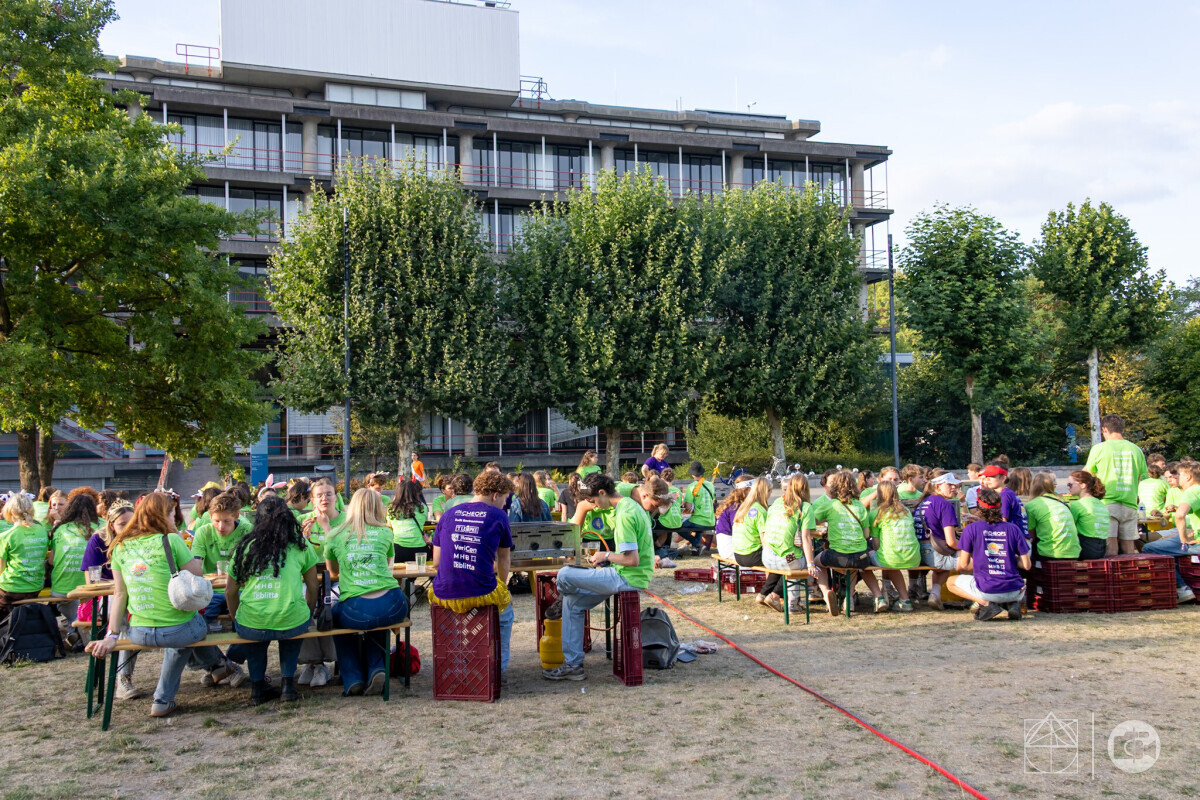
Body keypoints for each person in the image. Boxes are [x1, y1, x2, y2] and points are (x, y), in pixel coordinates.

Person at [84, 493, 240, 718]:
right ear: (162, 515)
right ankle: (209, 670)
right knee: (191, 628)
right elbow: (197, 573)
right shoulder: (171, 539)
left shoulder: (120, 546)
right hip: (175, 629)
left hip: (139, 631)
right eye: (171, 514)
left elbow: (119, 594)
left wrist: (112, 635)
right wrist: (176, 536)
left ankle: (216, 669)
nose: (175, 518)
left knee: (181, 635)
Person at [543, 472, 657, 682]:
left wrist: (605, 556)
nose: (594, 505)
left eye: (593, 500)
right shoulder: (630, 506)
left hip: (627, 577)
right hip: (627, 574)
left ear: (602, 493)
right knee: (572, 604)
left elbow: (632, 559)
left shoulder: (624, 514)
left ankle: (565, 594)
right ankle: (573, 665)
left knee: (565, 574)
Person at [226, 496, 319, 704]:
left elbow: (230, 591)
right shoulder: (300, 546)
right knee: (292, 631)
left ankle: (257, 688)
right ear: (288, 518)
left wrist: (236, 619)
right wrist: (308, 612)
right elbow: (313, 587)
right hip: (292, 620)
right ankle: (288, 686)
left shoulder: (246, 547)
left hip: (251, 622)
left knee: (255, 641)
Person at [429, 471, 515, 678]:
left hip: (443, 593)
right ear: (495, 495)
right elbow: (504, 559)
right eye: (505, 499)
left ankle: (457, 666)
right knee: (505, 613)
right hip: (481, 592)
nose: (505, 504)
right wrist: (503, 587)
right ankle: (497, 670)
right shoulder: (499, 516)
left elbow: (437, 562)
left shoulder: (448, 514)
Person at [324, 488, 409, 696]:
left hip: (356, 608)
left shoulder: (334, 534)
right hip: (393, 603)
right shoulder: (386, 532)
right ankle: (377, 667)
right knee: (378, 619)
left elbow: (333, 572)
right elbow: (387, 564)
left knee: (337, 619)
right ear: (377, 508)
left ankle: (353, 678)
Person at [80, 500, 146, 700]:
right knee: (126, 616)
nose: (128, 528)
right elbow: (91, 581)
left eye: (132, 523)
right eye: (122, 524)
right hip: (104, 599)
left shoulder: (142, 539)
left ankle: (213, 665)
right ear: (111, 525)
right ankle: (123, 680)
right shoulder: (98, 540)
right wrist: (119, 583)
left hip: (135, 594)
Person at [804, 471, 885, 615]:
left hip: (838, 556)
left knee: (816, 562)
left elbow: (812, 521)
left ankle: (826, 593)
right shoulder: (860, 506)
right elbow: (866, 535)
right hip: (860, 556)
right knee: (854, 567)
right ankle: (852, 599)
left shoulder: (831, 505)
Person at [946, 488, 1031, 621]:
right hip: (1015, 590)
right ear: (1000, 506)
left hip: (987, 590)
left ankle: (986, 604)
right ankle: (1010, 603)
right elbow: (1026, 565)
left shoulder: (971, 529)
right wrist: (1006, 559)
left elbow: (963, 565)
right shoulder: (1013, 528)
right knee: (1003, 588)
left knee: (950, 582)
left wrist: (983, 560)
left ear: (979, 508)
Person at [296, 477, 345, 688]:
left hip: (338, 578)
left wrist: (326, 528)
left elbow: (344, 555)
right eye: (319, 495)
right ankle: (315, 663)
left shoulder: (347, 520)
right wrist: (301, 539)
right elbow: (296, 557)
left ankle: (332, 659)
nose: (324, 498)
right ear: (312, 500)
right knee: (301, 605)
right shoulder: (303, 520)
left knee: (329, 607)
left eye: (328, 494)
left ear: (336, 497)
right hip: (310, 579)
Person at [1084, 413, 1148, 555]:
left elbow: (1087, 474)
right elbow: (1139, 476)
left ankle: (1113, 570)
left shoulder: (1099, 448)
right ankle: (1129, 568)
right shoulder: (1136, 450)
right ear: (1122, 429)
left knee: (1110, 545)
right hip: (1130, 502)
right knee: (1129, 546)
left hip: (1107, 502)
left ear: (1105, 429)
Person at [190, 493, 253, 633]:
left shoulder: (247, 530)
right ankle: (213, 648)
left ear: (236, 516)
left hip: (240, 589)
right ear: (210, 517)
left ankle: (236, 646)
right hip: (211, 591)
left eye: (227, 521)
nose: (221, 526)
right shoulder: (203, 532)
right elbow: (196, 565)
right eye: (216, 521)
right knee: (200, 623)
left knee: (245, 622)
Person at [1142, 461, 1200, 602]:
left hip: (1197, 543)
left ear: (1188, 477)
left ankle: (1182, 589)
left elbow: (1180, 515)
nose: (1176, 477)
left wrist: (1183, 539)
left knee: (1149, 548)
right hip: (1195, 535)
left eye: (1179, 474)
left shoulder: (1192, 491)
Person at [48, 492, 99, 643]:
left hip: (61, 589)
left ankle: (73, 629)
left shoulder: (60, 529)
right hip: (91, 588)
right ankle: (78, 631)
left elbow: (51, 561)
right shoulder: (98, 528)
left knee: (74, 608)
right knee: (87, 607)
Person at [760, 473, 814, 613]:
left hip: (767, 556)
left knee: (791, 560)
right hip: (786, 558)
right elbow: (806, 538)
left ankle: (766, 594)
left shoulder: (777, 502)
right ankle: (789, 601)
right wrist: (811, 563)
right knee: (800, 564)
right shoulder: (805, 507)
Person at [867, 481, 921, 612]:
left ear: (879, 494)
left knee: (862, 562)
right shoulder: (906, 511)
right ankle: (905, 599)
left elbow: (876, 544)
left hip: (891, 558)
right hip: (914, 557)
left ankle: (879, 597)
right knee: (891, 561)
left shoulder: (876, 513)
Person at [916, 471, 963, 610]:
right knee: (978, 559)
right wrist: (970, 549)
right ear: (937, 486)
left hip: (920, 553)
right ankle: (981, 600)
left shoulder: (923, 502)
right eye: (949, 485)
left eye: (955, 485)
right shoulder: (944, 504)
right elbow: (951, 542)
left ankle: (935, 594)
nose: (954, 488)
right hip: (936, 554)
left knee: (942, 569)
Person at [0, 494, 51, 622]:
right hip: (36, 586)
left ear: (9, 511)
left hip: (11, 588)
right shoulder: (41, 530)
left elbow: (1, 569)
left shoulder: (7, 535)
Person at [730, 476, 771, 604]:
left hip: (738, 554)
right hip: (750, 555)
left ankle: (768, 593)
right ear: (766, 492)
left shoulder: (743, 507)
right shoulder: (760, 510)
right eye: (770, 491)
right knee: (778, 561)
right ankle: (769, 594)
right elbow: (765, 540)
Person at [1024, 471, 1081, 562]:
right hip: (1074, 552)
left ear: (1033, 487)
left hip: (1050, 553)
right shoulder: (1062, 502)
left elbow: (1030, 533)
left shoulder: (1032, 505)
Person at [1067, 470, 1111, 560]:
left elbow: (1069, 527)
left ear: (1082, 485)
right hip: (1102, 549)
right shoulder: (1101, 504)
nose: (1068, 487)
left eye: (1070, 484)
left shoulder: (1078, 505)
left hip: (1085, 549)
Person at [979, 464, 1028, 540]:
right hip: (1019, 537)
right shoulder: (1008, 492)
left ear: (1003, 478)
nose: (987, 480)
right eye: (986, 477)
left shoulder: (1004, 495)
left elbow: (1002, 521)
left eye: (992, 476)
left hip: (1014, 539)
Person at [388, 479, 430, 563]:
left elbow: (389, 525)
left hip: (398, 549)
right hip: (419, 549)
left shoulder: (391, 508)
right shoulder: (422, 507)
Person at [679, 461, 716, 554]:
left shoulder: (692, 486)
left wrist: (683, 504)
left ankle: (696, 542)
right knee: (699, 526)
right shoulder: (710, 485)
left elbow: (688, 506)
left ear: (692, 474)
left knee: (679, 527)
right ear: (702, 472)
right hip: (710, 520)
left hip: (698, 520)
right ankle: (695, 549)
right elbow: (712, 500)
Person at [653, 467, 689, 553]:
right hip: (677, 521)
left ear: (661, 478)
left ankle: (657, 548)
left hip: (667, 522)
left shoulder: (663, 490)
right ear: (673, 478)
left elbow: (662, 511)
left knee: (652, 527)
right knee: (665, 531)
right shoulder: (678, 490)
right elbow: (680, 505)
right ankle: (663, 548)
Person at [713, 482, 752, 559]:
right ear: (747, 490)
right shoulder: (736, 507)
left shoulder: (732, 504)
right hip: (730, 548)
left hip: (725, 546)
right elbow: (738, 530)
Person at [1138, 456, 1170, 520]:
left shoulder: (1141, 483)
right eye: (1162, 464)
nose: (1164, 465)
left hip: (1141, 512)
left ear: (1148, 473)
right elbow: (1169, 497)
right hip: (1158, 513)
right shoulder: (1164, 483)